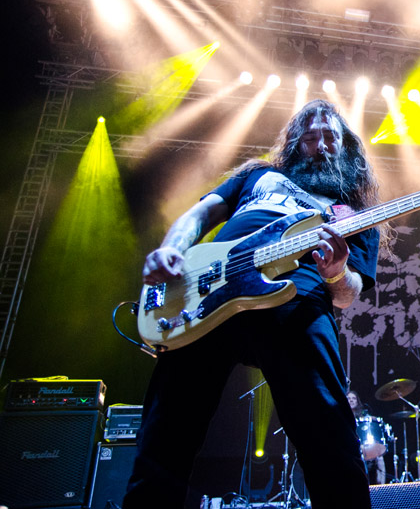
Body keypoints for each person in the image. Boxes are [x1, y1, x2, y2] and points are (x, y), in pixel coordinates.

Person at [124, 100, 381, 509]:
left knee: (327, 427)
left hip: (296, 298)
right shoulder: (259, 175)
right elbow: (199, 214)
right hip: (207, 291)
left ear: (346, 145)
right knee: (167, 430)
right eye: (310, 137)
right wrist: (172, 249)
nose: (320, 145)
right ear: (295, 144)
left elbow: (347, 295)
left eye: (330, 137)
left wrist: (335, 272)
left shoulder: (353, 213)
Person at [347, 389, 388, 484]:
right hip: (350, 447)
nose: (351, 400)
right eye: (349, 398)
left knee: (379, 457)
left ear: (357, 401)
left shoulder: (363, 415)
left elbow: (370, 422)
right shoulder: (342, 415)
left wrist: (372, 418)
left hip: (363, 445)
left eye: (353, 398)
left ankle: (382, 487)